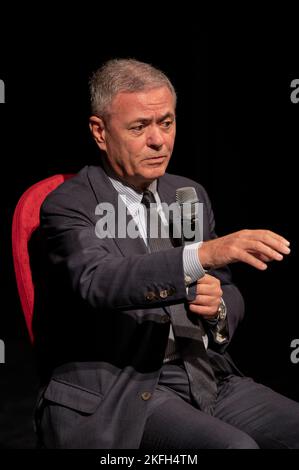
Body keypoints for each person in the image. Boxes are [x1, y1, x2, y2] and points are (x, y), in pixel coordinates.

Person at [33, 58, 299, 449]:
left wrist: (218, 308)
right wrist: (203, 255)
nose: (159, 140)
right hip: (123, 388)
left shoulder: (186, 194)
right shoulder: (69, 204)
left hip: (204, 375)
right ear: (100, 132)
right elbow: (99, 281)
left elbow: (225, 289)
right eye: (140, 127)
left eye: (167, 122)